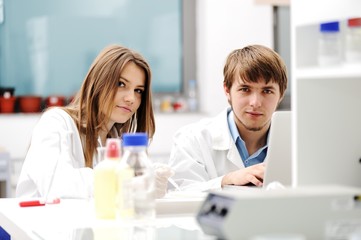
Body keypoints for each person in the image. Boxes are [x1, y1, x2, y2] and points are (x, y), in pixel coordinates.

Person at [16, 44, 172, 199]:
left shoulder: (117, 142)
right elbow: (55, 186)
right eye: (121, 84)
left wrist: (148, 183)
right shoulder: (56, 123)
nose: (131, 98)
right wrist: (128, 183)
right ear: (98, 82)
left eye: (138, 91)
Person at [168, 44, 288, 191]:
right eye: (245, 89)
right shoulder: (192, 139)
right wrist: (226, 180)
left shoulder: (296, 143)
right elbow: (179, 194)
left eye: (267, 91)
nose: (255, 103)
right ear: (227, 90)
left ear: (281, 94)